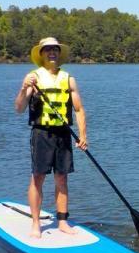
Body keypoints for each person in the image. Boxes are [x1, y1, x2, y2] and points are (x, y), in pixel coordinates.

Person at [14, 37, 88, 238]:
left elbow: (79, 110)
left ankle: (62, 221)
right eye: (47, 50)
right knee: (37, 177)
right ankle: (36, 224)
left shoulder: (68, 78)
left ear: (59, 53)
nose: (52, 52)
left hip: (63, 134)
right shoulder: (33, 78)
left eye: (55, 49)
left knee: (62, 178)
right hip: (41, 134)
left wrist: (82, 135)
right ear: (42, 54)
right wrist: (23, 88)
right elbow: (19, 108)